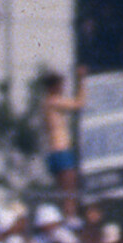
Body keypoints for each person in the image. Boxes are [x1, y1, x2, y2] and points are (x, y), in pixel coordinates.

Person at [36, 68, 84, 208]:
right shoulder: (52, 101)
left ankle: (66, 213)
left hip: (55, 151)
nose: (63, 88)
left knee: (63, 192)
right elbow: (79, 104)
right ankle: (69, 215)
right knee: (69, 192)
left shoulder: (45, 103)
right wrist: (82, 80)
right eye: (60, 85)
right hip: (61, 151)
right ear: (54, 86)